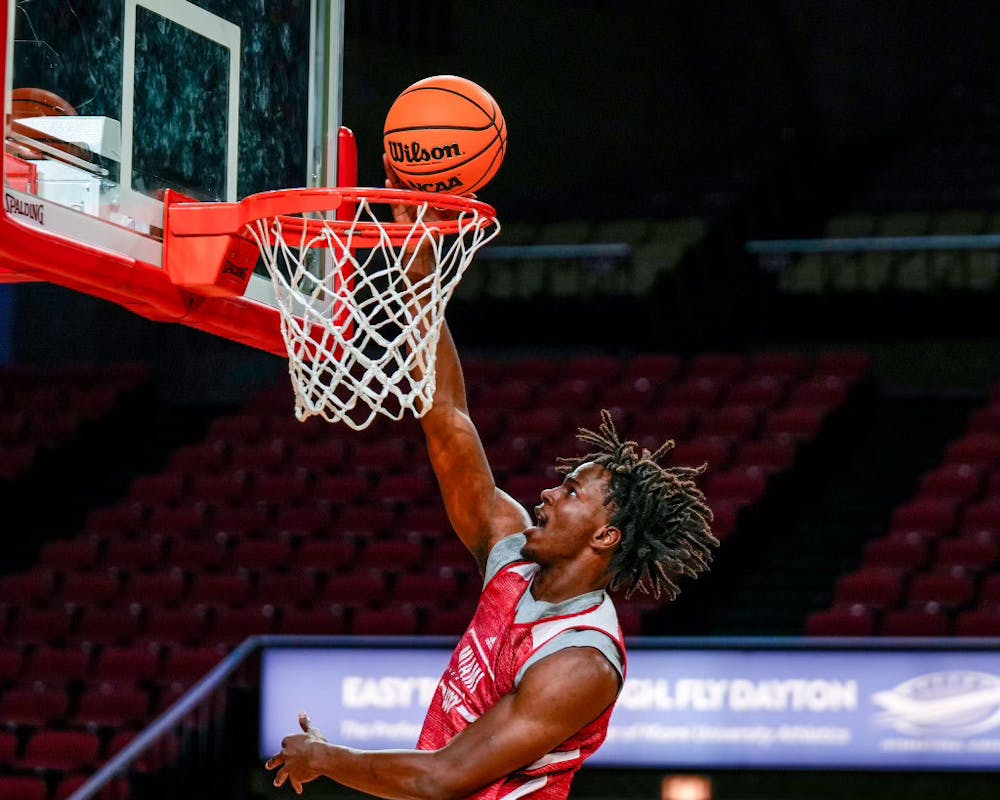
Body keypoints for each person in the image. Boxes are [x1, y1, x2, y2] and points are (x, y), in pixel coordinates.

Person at [265, 161, 719, 799]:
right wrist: (419, 275)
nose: (547, 494)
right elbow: (449, 422)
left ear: (606, 535)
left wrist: (327, 757)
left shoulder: (580, 660)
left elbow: (443, 778)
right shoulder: (512, 554)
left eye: (571, 493)